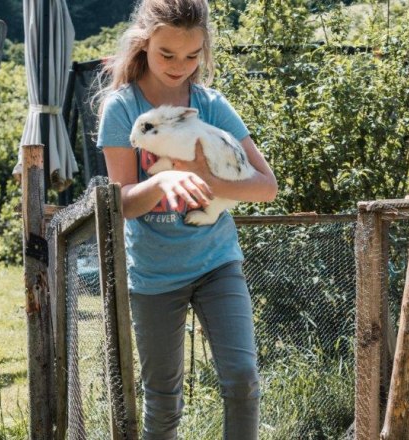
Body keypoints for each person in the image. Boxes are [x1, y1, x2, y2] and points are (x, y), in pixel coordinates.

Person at [95, 0, 277, 438]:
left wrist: (204, 178)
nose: (180, 66)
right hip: (154, 274)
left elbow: (266, 186)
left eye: (192, 55)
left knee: (243, 380)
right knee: (162, 402)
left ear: (204, 50)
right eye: (167, 54)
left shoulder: (210, 105)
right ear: (144, 44)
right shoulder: (122, 109)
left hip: (217, 262)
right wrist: (163, 181)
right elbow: (122, 202)